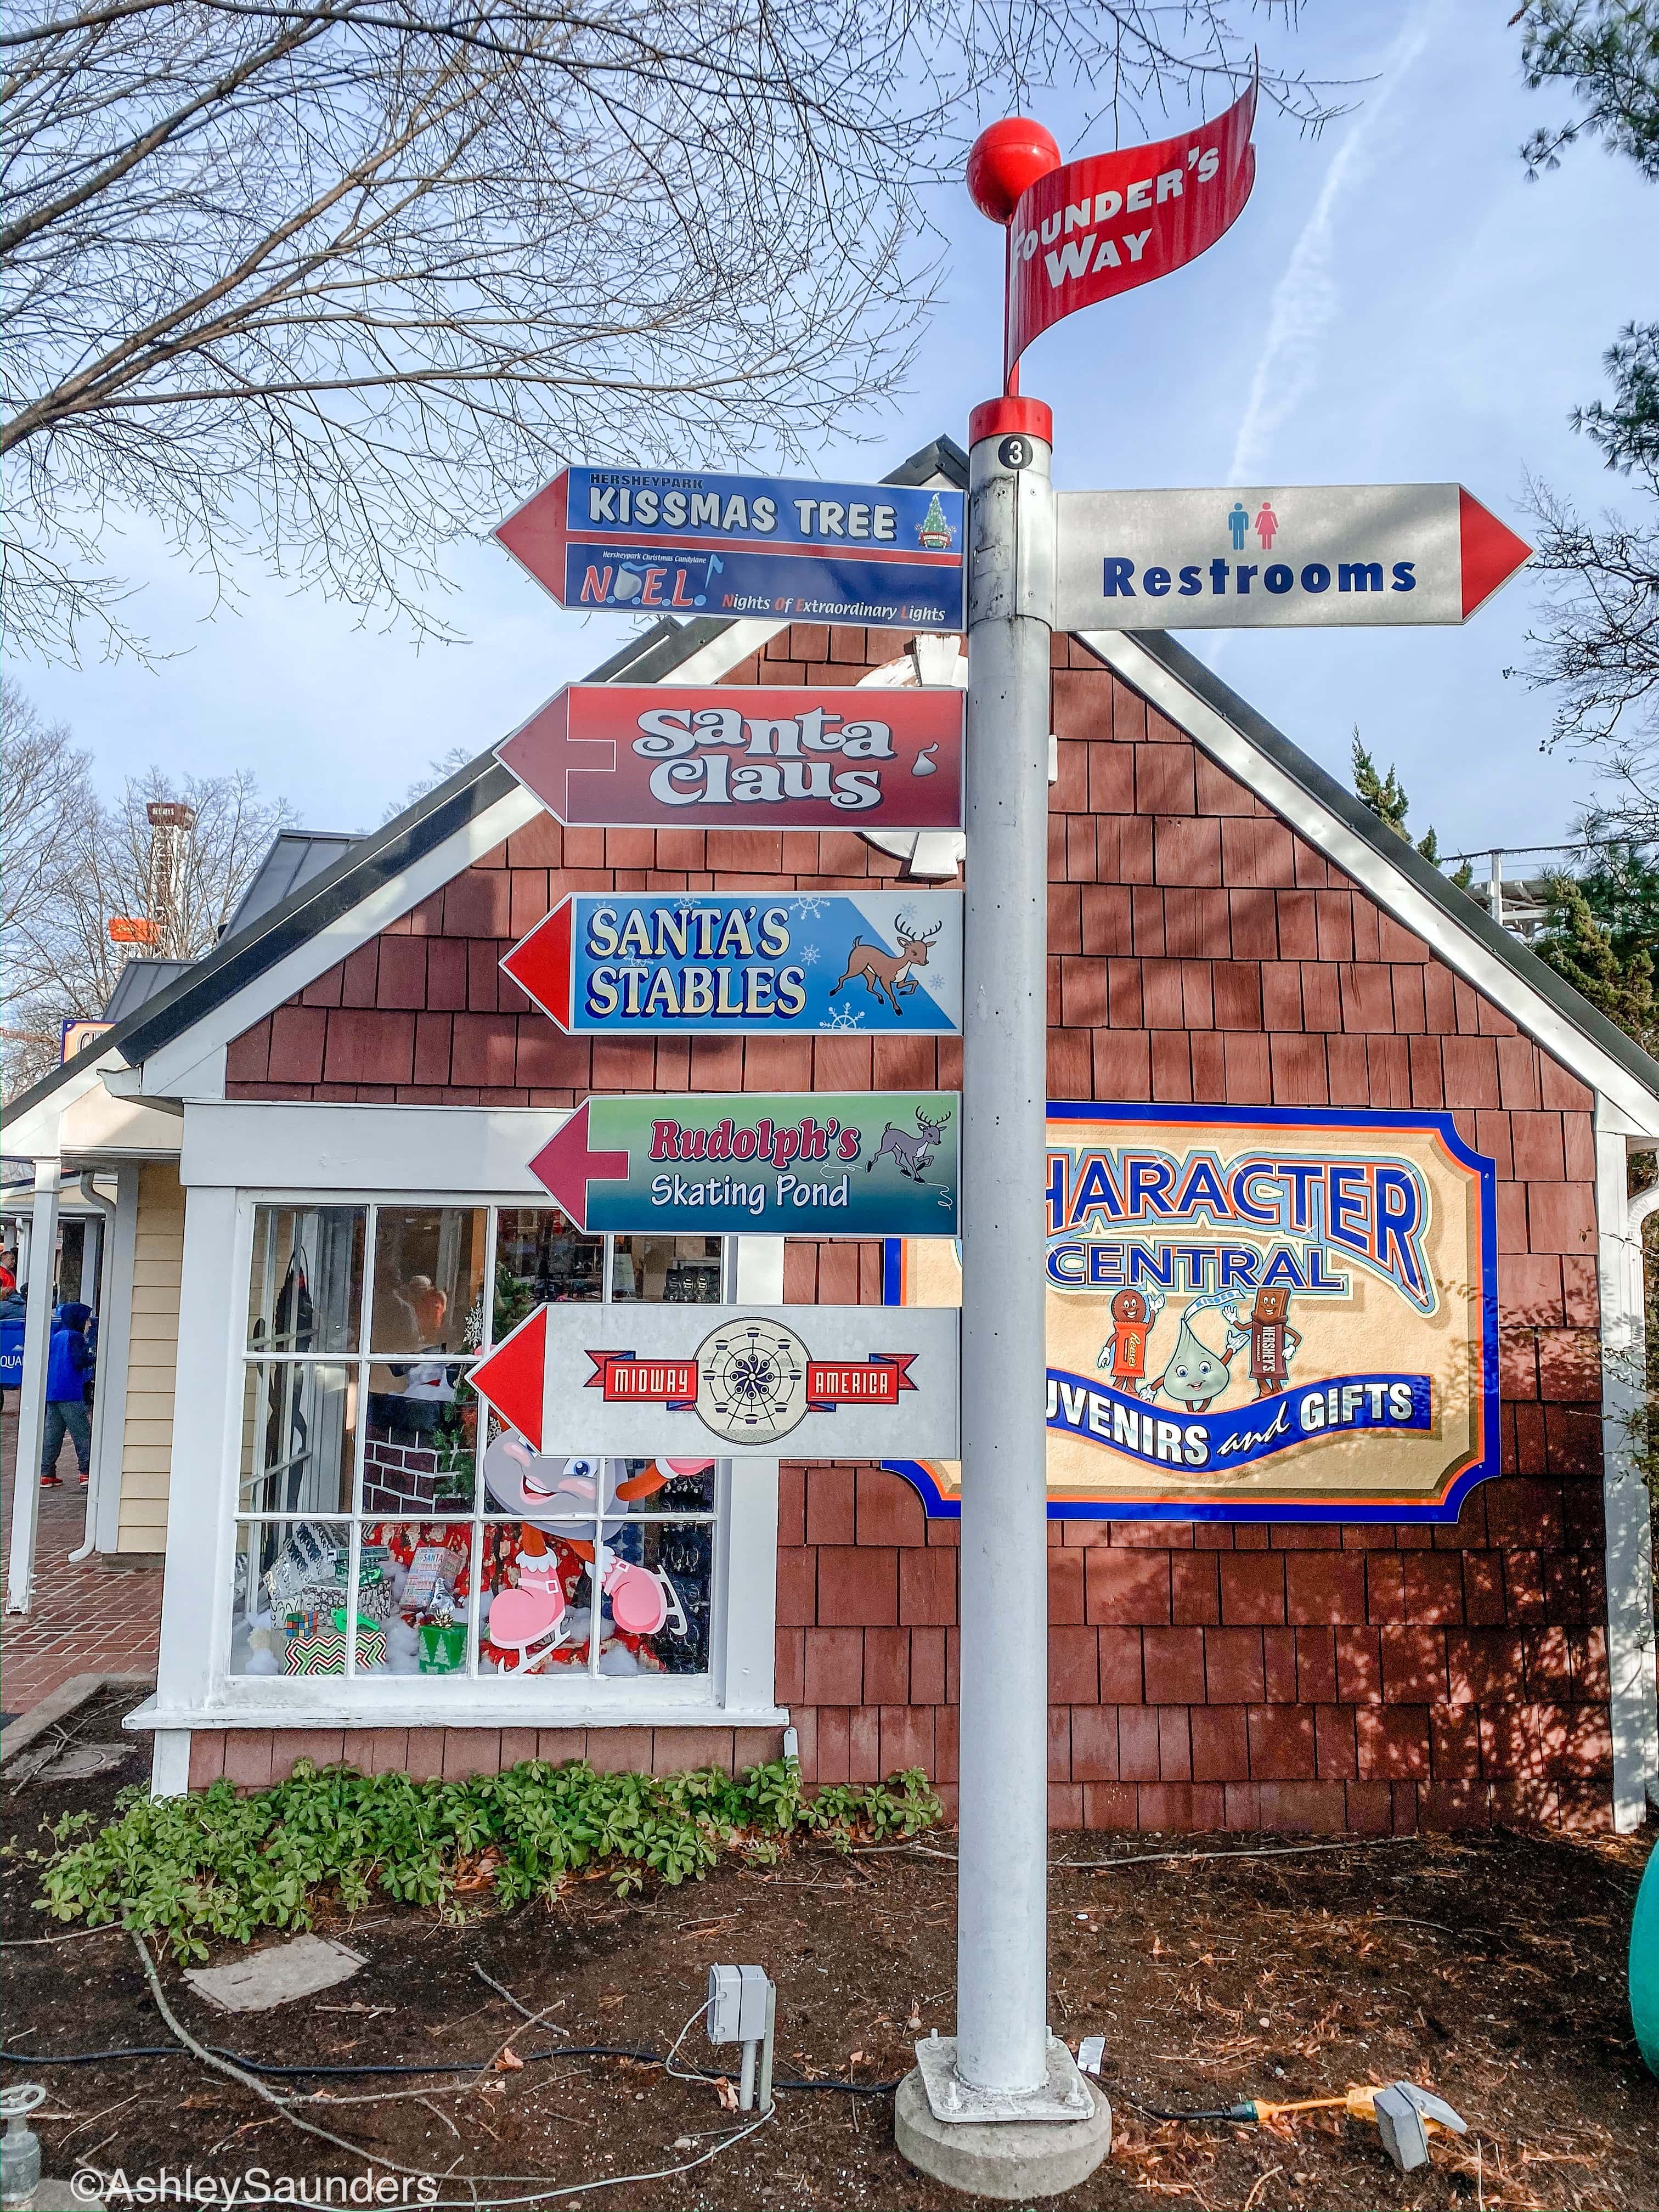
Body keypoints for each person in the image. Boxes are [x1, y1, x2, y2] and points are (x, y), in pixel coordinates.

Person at [41, 1300, 94, 1487]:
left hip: (53, 1392)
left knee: (52, 1434)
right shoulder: (75, 1337)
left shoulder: (56, 1336)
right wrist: (95, 1356)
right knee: (82, 1433)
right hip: (71, 1391)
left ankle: (46, 1472)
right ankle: (86, 1471)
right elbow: (79, 1361)